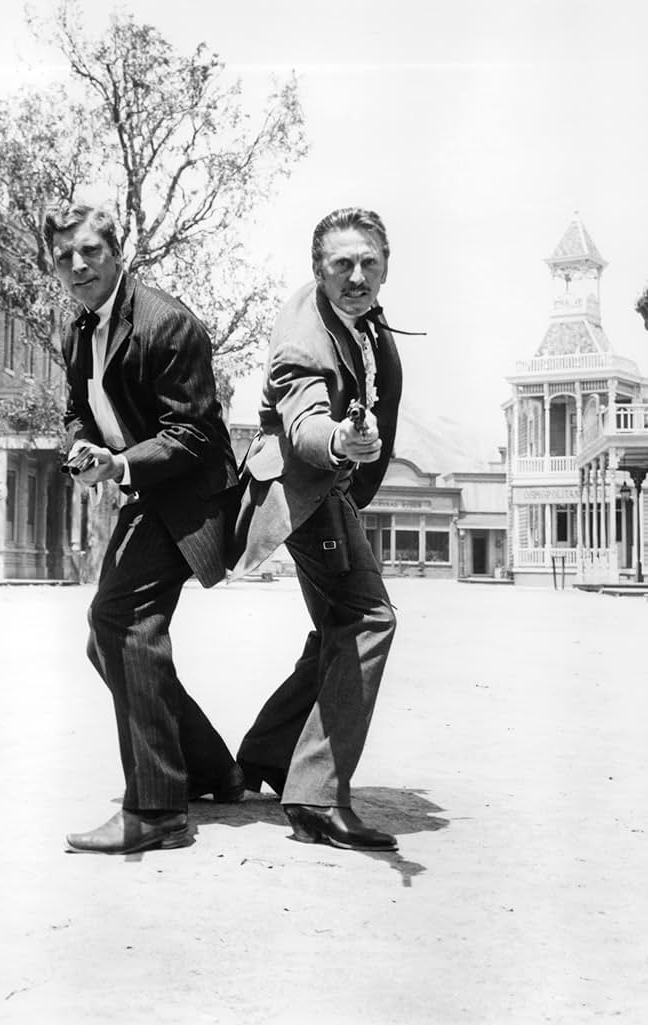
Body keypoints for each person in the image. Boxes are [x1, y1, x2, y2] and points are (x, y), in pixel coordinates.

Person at [45, 202, 243, 855]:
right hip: (145, 490)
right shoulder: (78, 331)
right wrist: (84, 449)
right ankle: (210, 769)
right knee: (107, 641)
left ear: (117, 251)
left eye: (91, 251)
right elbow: (80, 409)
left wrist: (120, 462)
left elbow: (192, 435)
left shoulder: (167, 323)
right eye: (66, 255)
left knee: (123, 621)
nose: (79, 266)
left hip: (195, 493)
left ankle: (157, 810)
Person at [230, 206, 403, 852]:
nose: (357, 277)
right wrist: (344, 440)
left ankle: (272, 754)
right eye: (342, 265)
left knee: (339, 626)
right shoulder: (304, 338)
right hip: (305, 488)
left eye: (369, 264)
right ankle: (315, 796)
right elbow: (305, 423)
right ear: (318, 270)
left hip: (326, 490)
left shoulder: (351, 310)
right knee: (368, 620)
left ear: (386, 265)